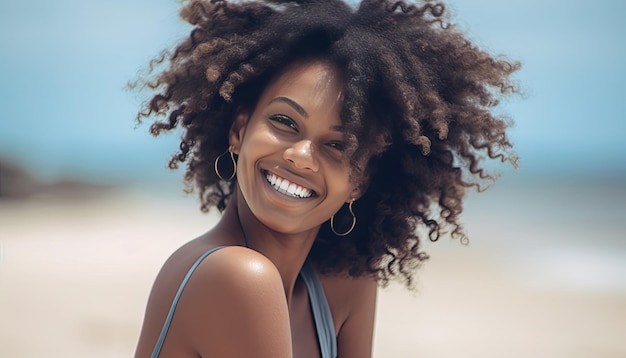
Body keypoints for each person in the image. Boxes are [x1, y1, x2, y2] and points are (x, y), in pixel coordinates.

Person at [132, 0, 520, 357]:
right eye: (285, 122)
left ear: (359, 182)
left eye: (338, 146)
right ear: (239, 131)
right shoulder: (236, 277)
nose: (301, 157)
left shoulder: (344, 286)